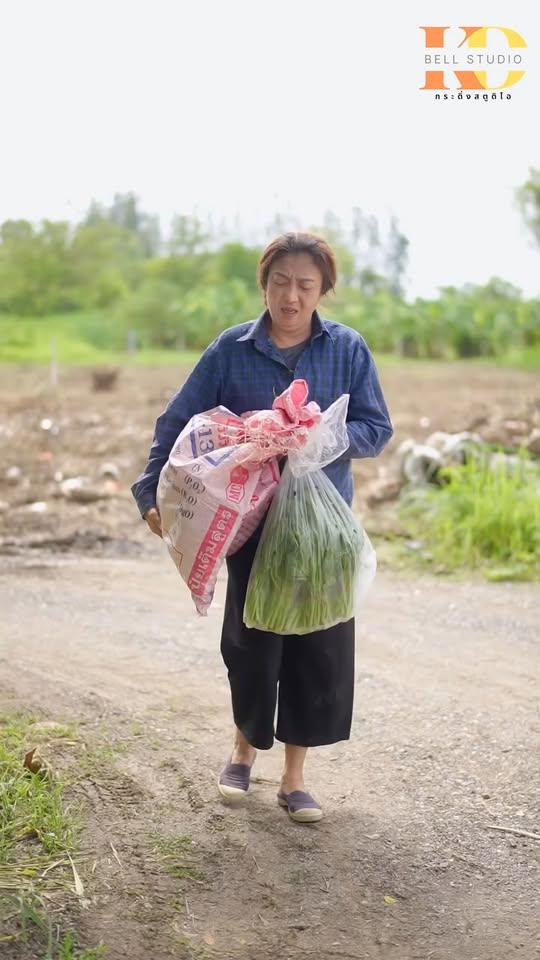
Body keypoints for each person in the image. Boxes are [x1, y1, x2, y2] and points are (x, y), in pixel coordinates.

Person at [131, 232, 393, 824]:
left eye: (305, 285)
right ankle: (243, 750)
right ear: (264, 285)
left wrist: (317, 437)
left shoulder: (347, 348)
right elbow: (178, 419)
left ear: (323, 291)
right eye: (280, 282)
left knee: (317, 649)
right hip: (249, 525)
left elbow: (377, 427)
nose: (291, 296)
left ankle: (295, 778)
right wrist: (149, 490)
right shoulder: (231, 350)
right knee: (252, 646)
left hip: (322, 532)